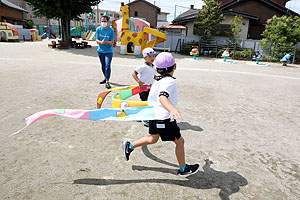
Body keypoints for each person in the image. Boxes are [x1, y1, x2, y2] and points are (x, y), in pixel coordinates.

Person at [123, 52, 199, 178]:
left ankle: (129, 146)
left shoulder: (157, 81)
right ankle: (183, 169)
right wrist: (172, 109)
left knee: (153, 138)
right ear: (174, 67)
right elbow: (162, 97)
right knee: (180, 142)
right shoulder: (169, 82)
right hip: (164, 119)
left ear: (157, 69)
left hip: (153, 116)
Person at [132, 47, 156, 127]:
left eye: (153, 56)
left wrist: (157, 78)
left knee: (146, 102)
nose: (152, 58)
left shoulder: (153, 66)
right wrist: (139, 82)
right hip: (143, 88)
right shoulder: (143, 67)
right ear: (145, 58)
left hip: (150, 88)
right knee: (145, 102)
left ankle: (139, 115)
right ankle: (145, 119)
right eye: (150, 56)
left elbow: (151, 75)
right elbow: (134, 73)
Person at [95, 13, 115, 89]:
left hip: (108, 51)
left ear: (107, 22)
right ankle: (105, 77)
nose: (103, 22)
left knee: (107, 65)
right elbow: (96, 40)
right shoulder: (98, 29)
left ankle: (107, 81)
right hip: (100, 51)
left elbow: (112, 42)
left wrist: (105, 42)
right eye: (102, 21)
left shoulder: (111, 30)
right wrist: (100, 42)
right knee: (103, 65)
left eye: (104, 21)